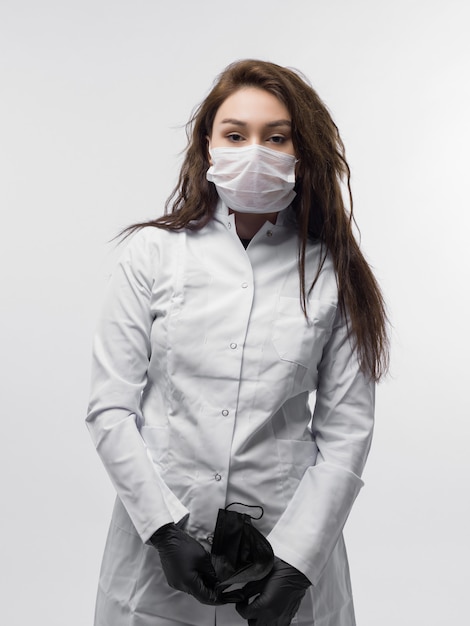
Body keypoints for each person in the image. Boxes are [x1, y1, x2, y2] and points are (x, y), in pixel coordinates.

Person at [86, 59, 389, 626]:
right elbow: (109, 409)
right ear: (208, 146)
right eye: (235, 135)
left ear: (303, 152)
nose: (255, 151)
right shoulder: (153, 255)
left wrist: (297, 565)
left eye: (277, 137)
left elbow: (346, 433)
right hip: (157, 557)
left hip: (288, 547)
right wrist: (163, 531)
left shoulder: (332, 270)